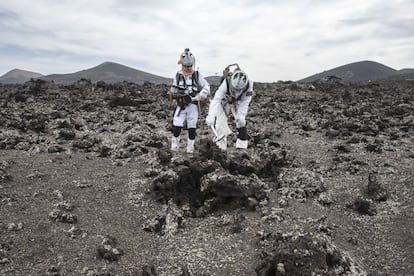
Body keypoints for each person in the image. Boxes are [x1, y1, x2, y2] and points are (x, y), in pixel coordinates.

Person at [168, 48, 210, 153]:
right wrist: (172, 95)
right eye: (186, 66)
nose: (188, 68)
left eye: (190, 66)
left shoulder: (197, 74)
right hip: (181, 105)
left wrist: (203, 94)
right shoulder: (178, 75)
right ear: (181, 64)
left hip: (193, 104)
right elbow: (173, 89)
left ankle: (190, 148)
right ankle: (174, 147)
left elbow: (206, 85)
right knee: (177, 124)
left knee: (192, 126)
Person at [206, 65, 253, 150]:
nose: (236, 92)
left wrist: (241, 115)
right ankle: (221, 148)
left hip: (239, 100)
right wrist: (211, 116)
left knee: (241, 121)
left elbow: (245, 102)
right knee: (220, 123)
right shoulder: (226, 83)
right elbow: (216, 99)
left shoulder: (249, 85)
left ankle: (242, 147)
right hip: (225, 99)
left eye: (239, 90)